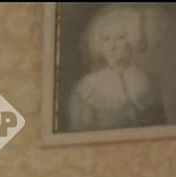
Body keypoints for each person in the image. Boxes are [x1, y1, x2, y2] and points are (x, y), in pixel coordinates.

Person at [68, 3, 168, 132]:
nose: (112, 47)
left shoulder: (150, 85)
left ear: (133, 40)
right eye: (106, 39)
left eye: (120, 38)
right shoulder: (86, 89)